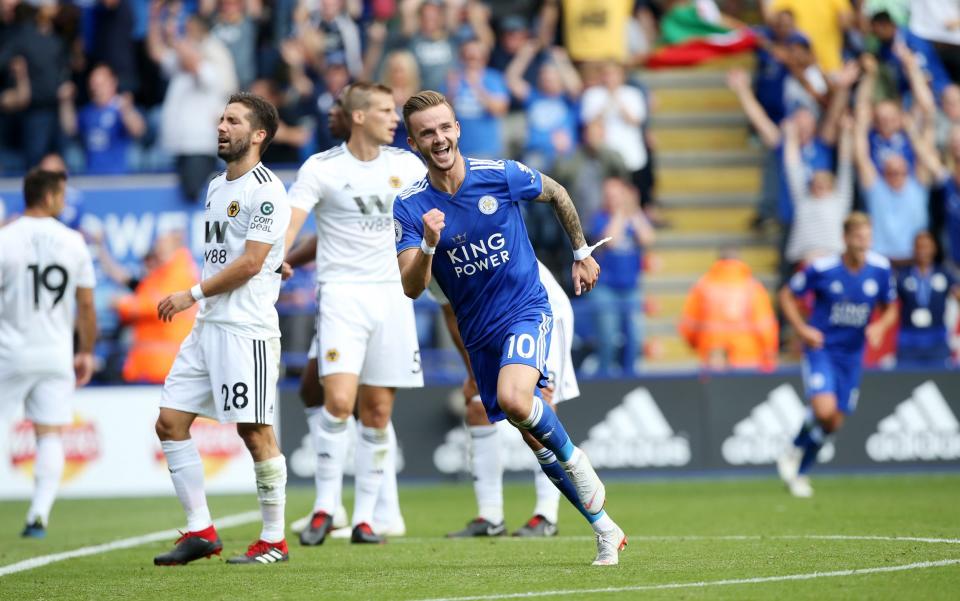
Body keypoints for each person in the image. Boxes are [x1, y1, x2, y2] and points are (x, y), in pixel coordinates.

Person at [393, 90, 626, 565]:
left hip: (527, 308)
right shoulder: (410, 207)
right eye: (426, 133)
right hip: (480, 334)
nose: (438, 139)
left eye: (444, 128)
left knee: (523, 401)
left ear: (457, 129)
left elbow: (557, 192)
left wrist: (581, 253)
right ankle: (605, 528)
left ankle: (578, 463)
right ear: (415, 144)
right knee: (531, 433)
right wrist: (431, 244)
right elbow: (411, 287)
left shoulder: (497, 174)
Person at [152, 92, 291, 565]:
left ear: (258, 135)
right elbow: (243, 255)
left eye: (233, 120)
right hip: (209, 328)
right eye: (221, 119)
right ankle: (201, 531)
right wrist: (277, 262)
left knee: (255, 433)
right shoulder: (215, 186)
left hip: (243, 329)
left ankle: (274, 540)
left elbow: (251, 263)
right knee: (170, 423)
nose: (221, 126)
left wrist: (190, 295)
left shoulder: (267, 189)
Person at [284, 82, 427, 545]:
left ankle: (365, 519)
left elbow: (442, 206)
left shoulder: (407, 166)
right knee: (339, 402)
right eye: (387, 110)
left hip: (393, 297)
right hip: (342, 295)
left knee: (378, 410)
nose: (396, 118)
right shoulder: (322, 168)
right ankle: (326, 506)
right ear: (360, 116)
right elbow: (290, 226)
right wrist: (274, 262)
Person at [439, 261, 580, 538]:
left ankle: (546, 515)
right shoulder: (427, 255)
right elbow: (451, 315)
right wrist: (472, 373)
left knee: (540, 405)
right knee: (478, 407)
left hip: (539, 311)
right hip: (492, 324)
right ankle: (490, 517)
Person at [0, 168, 96, 538]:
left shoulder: (6, 239)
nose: (64, 200)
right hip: (56, 352)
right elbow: (86, 306)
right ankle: (38, 514)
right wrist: (85, 351)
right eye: (62, 194)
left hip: (10, 349)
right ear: (49, 196)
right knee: (50, 435)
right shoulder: (73, 241)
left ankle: (37, 514)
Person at [777, 212, 898, 498]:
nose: (862, 243)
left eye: (867, 237)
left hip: (852, 355)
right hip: (822, 349)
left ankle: (800, 472)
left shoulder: (880, 268)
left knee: (833, 422)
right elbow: (786, 295)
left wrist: (880, 326)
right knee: (823, 410)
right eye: (857, 237)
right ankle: (794, 449)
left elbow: (891, 306)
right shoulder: (823, 268)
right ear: (845, 239)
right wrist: (803, 329)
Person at [679, 248, 778, 371]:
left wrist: (696, 346)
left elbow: (689, 325)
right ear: (739, 261)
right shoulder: (753, 287)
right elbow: (765, 326)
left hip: (712, 359)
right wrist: (769, 354)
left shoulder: (703, 286)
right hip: (748, 358)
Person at [895, 231, 960, 368]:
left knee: (940, 383)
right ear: (913, 249)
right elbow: (889, 304)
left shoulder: (943, 273)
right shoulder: (903, 275)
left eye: (926, 246)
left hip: (937, 337)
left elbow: (957, 293)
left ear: (934, 248)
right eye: (919, 247)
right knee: (904, 382)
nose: (922, 251)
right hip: (909, 337)